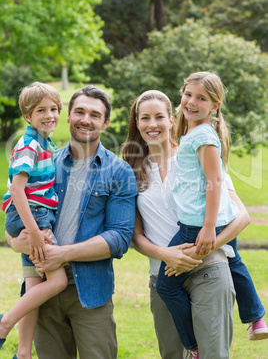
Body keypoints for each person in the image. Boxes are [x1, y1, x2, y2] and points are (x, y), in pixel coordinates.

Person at [122, 88, 267, 359]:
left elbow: (241, 216)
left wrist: (198, 250)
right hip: (162, 276)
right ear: (137, 123)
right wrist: (166, 254)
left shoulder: (196, 154)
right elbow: (136, 235)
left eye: (159, 117)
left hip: (209, 270)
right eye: (144, 118)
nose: (152, 124)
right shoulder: (132, 170)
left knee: (213, 355)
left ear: (171, 119)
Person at [6, 85, 137, 359]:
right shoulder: (46, 159)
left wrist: (61, 254)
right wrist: (15, 240)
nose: (85, 119)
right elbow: (16, 206)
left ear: (106, 122)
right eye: (79, 111)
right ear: (68, 116)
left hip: (89, 292)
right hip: (44, 289)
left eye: (94, 114)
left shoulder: (119, 171)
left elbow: (120, 238)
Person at [1, 82, 68, 359]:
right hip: (32, 214)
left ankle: (24, 352)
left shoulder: (43, 142)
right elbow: (17, 190)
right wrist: (35, 231)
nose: (50, 115)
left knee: (34, 284)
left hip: (33, 214)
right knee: (58, 281)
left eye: (54, 109)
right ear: (28, 116)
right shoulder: (29, 145)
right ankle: (4, 322)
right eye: (41, 110)